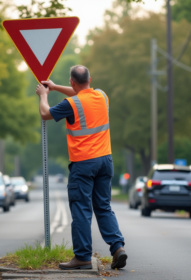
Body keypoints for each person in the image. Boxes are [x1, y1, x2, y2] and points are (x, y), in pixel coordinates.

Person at [35, 65, 127, 270]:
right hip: (105, 161)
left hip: (84, 163)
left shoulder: (71, 104)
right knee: (103, 207)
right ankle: (117, 247)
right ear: (90, 79)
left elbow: (45, 113)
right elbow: (80, 93)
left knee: (82, 209)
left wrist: (43, 95)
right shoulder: (102, 96)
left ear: (72, 81)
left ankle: (83, 257)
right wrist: (55, 87)